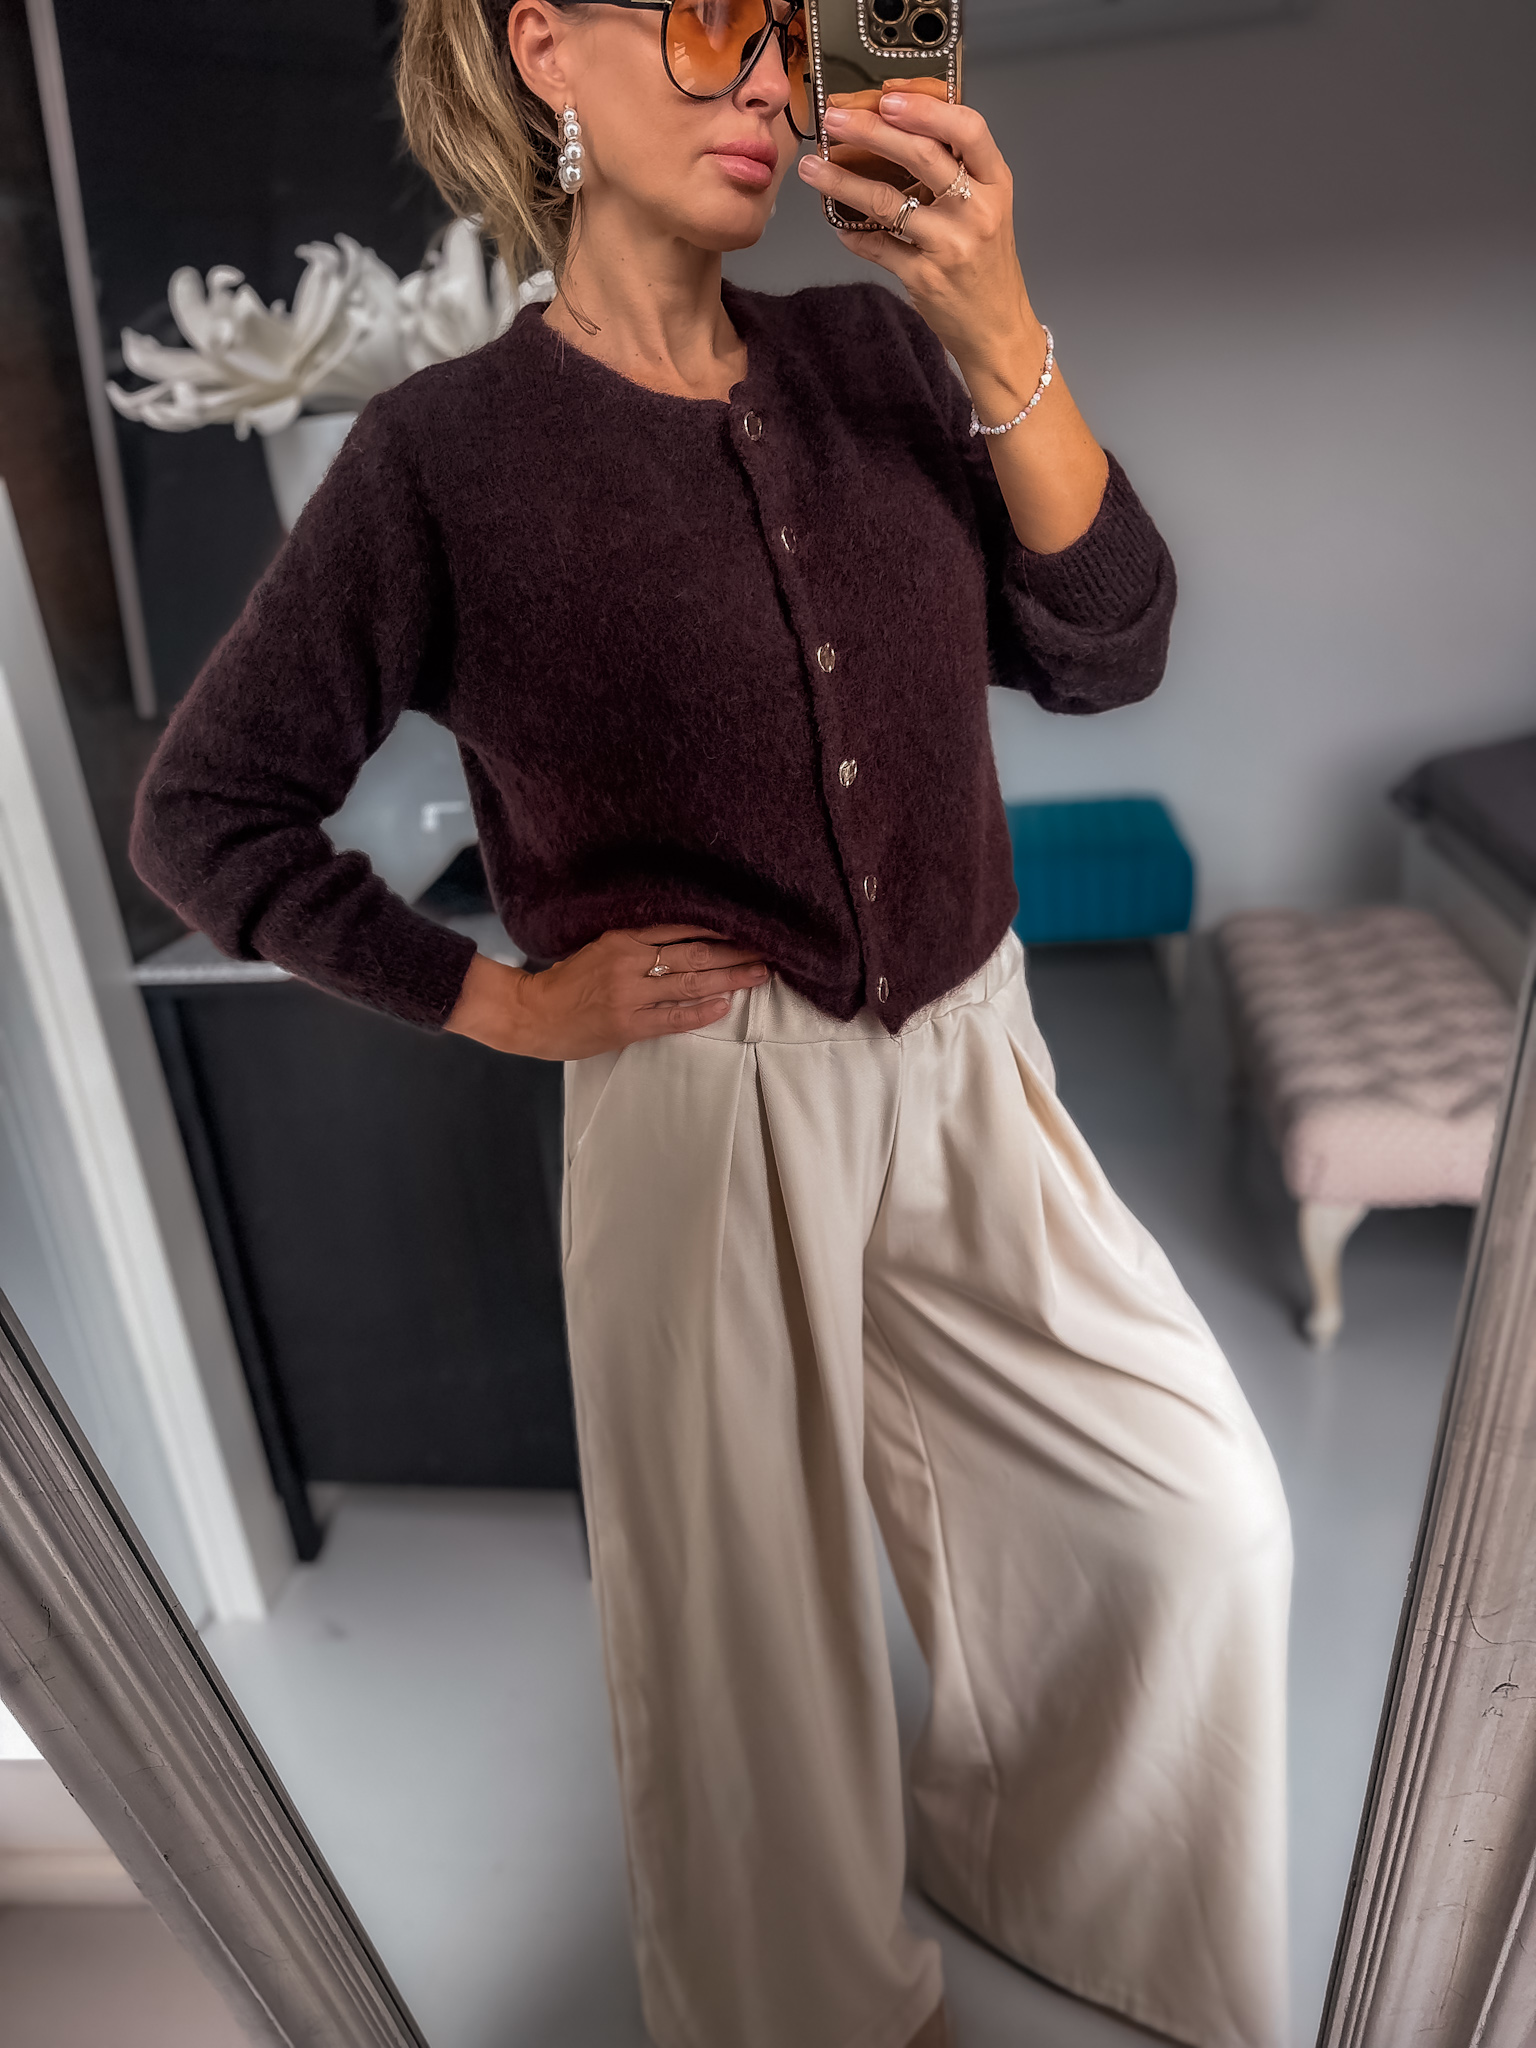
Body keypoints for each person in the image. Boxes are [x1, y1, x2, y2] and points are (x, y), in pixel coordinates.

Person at [130, 3, 1292, 2045]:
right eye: (700, 22)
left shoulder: (870, 358)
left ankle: (1056, 1875)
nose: (764, 77)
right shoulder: (442, 461)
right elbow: (203, 815)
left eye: (780, 33)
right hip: (702, 1106)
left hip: (976, 1062)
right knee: (748, 1663)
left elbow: (1109, 649)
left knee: (1192, 1514)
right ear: (545, 48)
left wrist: (995, 324)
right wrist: (491, 999)